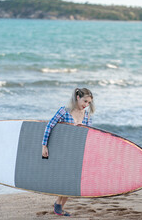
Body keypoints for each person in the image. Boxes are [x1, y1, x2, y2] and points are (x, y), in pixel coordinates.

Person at [42, 88, 95, 217]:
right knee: (68, 179)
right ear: (78, 97)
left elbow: (90, 133)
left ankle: (59, 204)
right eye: (85, 101)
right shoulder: (64, 111)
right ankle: (58, 206)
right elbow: (50, 125)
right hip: (64, 150)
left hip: (78, 151)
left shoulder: (86, 115)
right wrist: (44, 145)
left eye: (89, 103)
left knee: (72, 180)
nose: (86, 105)